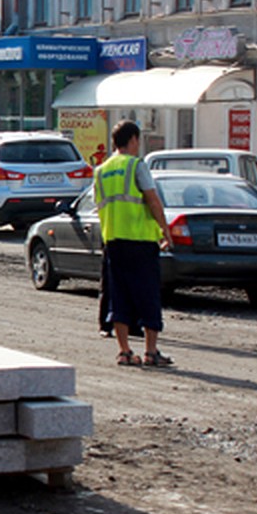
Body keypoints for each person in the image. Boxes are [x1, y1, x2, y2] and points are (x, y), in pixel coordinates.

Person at [93, 120, 174, 366]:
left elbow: (99, 206)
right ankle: (150, 351)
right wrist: (165, 231)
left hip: (114, 241)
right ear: (134, 140)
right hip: (141, 241)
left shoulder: (102, 170)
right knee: (147, 294)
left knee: (120, 295)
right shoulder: (136, 166)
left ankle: (124, 351)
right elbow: (152, 199)